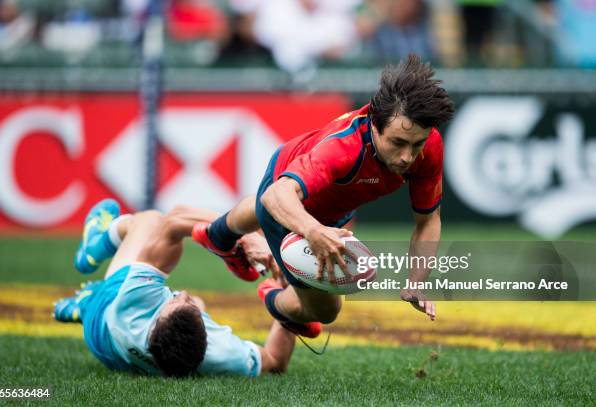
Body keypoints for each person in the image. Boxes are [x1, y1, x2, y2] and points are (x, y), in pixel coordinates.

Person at [192, 54, 455, 334]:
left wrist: (416, 282)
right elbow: (274, 197)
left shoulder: (429, 148)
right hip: (287, 198)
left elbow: (428, 220)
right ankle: (274, 298)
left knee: (268, 209)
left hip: (335, 208)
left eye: (416, 145)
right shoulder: (344, 148)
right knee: (326, 313)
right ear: (374, 124)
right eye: (398, 143)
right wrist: (313, 231)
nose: (407, 157)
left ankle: (219, 236)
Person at [53, 199, 295, 377]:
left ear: (154, 321)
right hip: (112, 354)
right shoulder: (220, 354)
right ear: (206, 340)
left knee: (150, 220)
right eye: (191, 308)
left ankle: (92, 251)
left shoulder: (135, 301)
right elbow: (276, 360)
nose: (184, 293)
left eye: (176, 299)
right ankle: (80, 306)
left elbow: (174, 220)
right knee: (198, 300)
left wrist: (240, 235)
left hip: (106, 315)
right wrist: (292, 293)